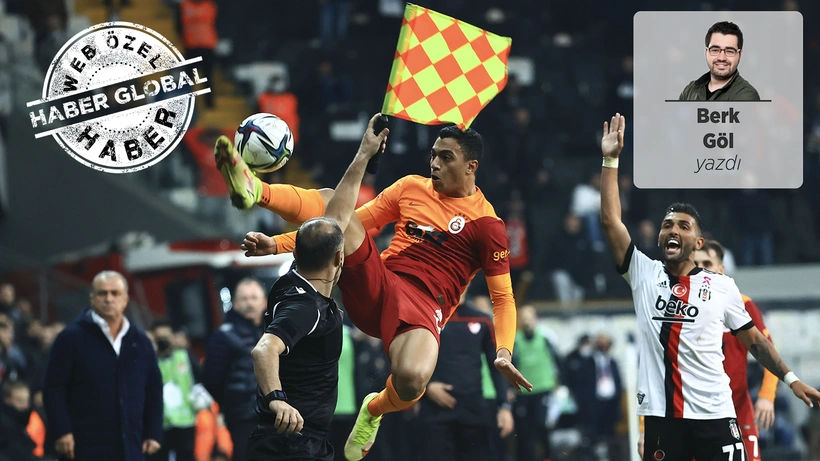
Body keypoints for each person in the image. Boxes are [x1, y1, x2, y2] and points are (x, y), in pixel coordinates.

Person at [214, 113, 532, 460]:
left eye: (446, 157)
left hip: (425, 308)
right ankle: (257, 190)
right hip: (379, 280)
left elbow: (503, 297)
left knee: (412, 379)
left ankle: (374, 408)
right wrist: (277, 244)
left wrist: (503, 352)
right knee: (334, 199)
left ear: (471, 166)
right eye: (433, 155)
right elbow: (343, 223)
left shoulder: (487, 225)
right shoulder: (410, 187)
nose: (434, 164)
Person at [599, 112, 820, 461]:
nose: (673, 230)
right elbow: (611, 221)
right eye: (667, 225)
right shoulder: (643, 273)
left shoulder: (722, 287)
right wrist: (610, 160)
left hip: (715, 416)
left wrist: (791, 380)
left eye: (683, 226)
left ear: (698, 243)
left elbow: (756, 343)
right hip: (662, 418)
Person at [247, 217, 346, 460]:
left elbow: (331, 224)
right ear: (339, 257)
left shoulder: (291, 281)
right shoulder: (306, 308)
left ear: (295, 254)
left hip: (281, 440)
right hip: (294, 444)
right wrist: (277, 399)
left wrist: (274, 245)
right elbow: (264, 349)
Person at [43, 270, 163, 461]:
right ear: (91, 298)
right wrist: (62, 431)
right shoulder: (71, 338)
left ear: (126, 299)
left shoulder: (141, 341)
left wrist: (154, 432)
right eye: (102, 293)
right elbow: (53, 388)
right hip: (85, 448)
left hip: (132, 447)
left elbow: (154, 389)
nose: (109, 299)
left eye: (115, 293)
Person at [695, 240, 778, 461]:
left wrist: (766, 396)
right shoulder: (681, 309)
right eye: (696, 264)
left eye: (707, 264)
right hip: (697, 416)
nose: (701, 269)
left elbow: (768, 352)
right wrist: (645, 427)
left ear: (721, 269)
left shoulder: (742, 304)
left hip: (739, 411)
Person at [417, 293, 514, 461]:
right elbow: (407, 357)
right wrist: (426, 387)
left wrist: (504, 407)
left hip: (473, 411)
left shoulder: (482, 319)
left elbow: (497, 366)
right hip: (435, 411)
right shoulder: (425, 316)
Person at [203, 278, 267, 461]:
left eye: (254, 298)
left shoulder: (273, 332)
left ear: (264, 302)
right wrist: (231, 402)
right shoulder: (224, 336)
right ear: (235, 303)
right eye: (244, 299)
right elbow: (211, 378)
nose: (250, 303)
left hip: (273, 414)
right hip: (242, 416)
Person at [511, 306, 559, 461]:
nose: (526, 321)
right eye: (523, 318)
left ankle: (547, 458)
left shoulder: (545, 337)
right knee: (524, 431)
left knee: (542, 426)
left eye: (529, 317)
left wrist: (559, 383)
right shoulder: (515, 340)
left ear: (536, 318)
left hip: (543, 388)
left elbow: (557, 360)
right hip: (523, 392)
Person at [678, 21, 760, 101]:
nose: (721, 58)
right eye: (715, 50)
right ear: (706, 52)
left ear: (740, 54)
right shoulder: (690, 90)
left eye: (729, 51)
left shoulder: (747, 95)